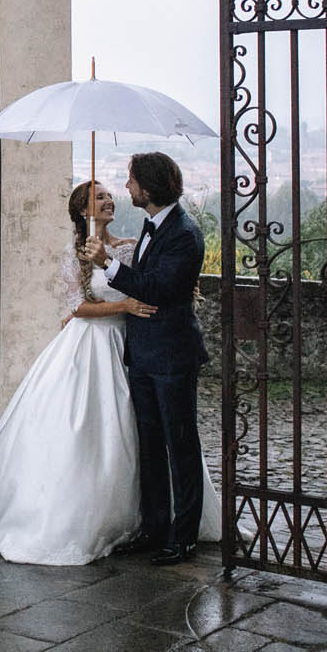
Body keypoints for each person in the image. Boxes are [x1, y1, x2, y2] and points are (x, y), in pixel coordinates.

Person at [0, 180, 219, 565]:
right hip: (89, 345)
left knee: (141, 434)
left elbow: (153, 283)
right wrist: (123, 305)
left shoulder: (128, 246)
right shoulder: (76, 254)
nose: (109, 200)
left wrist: (179, 288)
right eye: (99, 198)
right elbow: (77, 307)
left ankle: (160, 520)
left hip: (132, 347)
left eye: (109, 195)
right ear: (82, 212)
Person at [85, 151, 215, 565]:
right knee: (150, 446)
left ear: (150, 186)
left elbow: (156, 288)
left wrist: (107, 265)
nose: (126, 188)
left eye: (131, 181)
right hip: (142, 355)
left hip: (172, 355)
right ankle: (154, 527)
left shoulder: (183, 233)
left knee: (180, 446)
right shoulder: (152, 227)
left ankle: (185, 536)